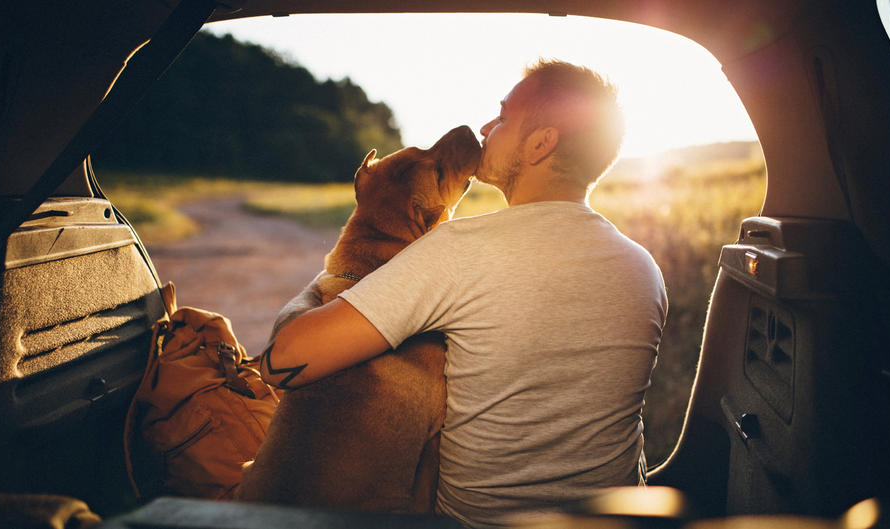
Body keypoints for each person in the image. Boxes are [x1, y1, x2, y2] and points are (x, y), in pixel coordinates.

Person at [261, 59, 667, 528]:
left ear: (540, 143)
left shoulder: (458, 250)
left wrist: (323, 288)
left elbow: (280, 362)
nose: (485, 127)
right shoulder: (644, 267)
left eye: (503, 117)